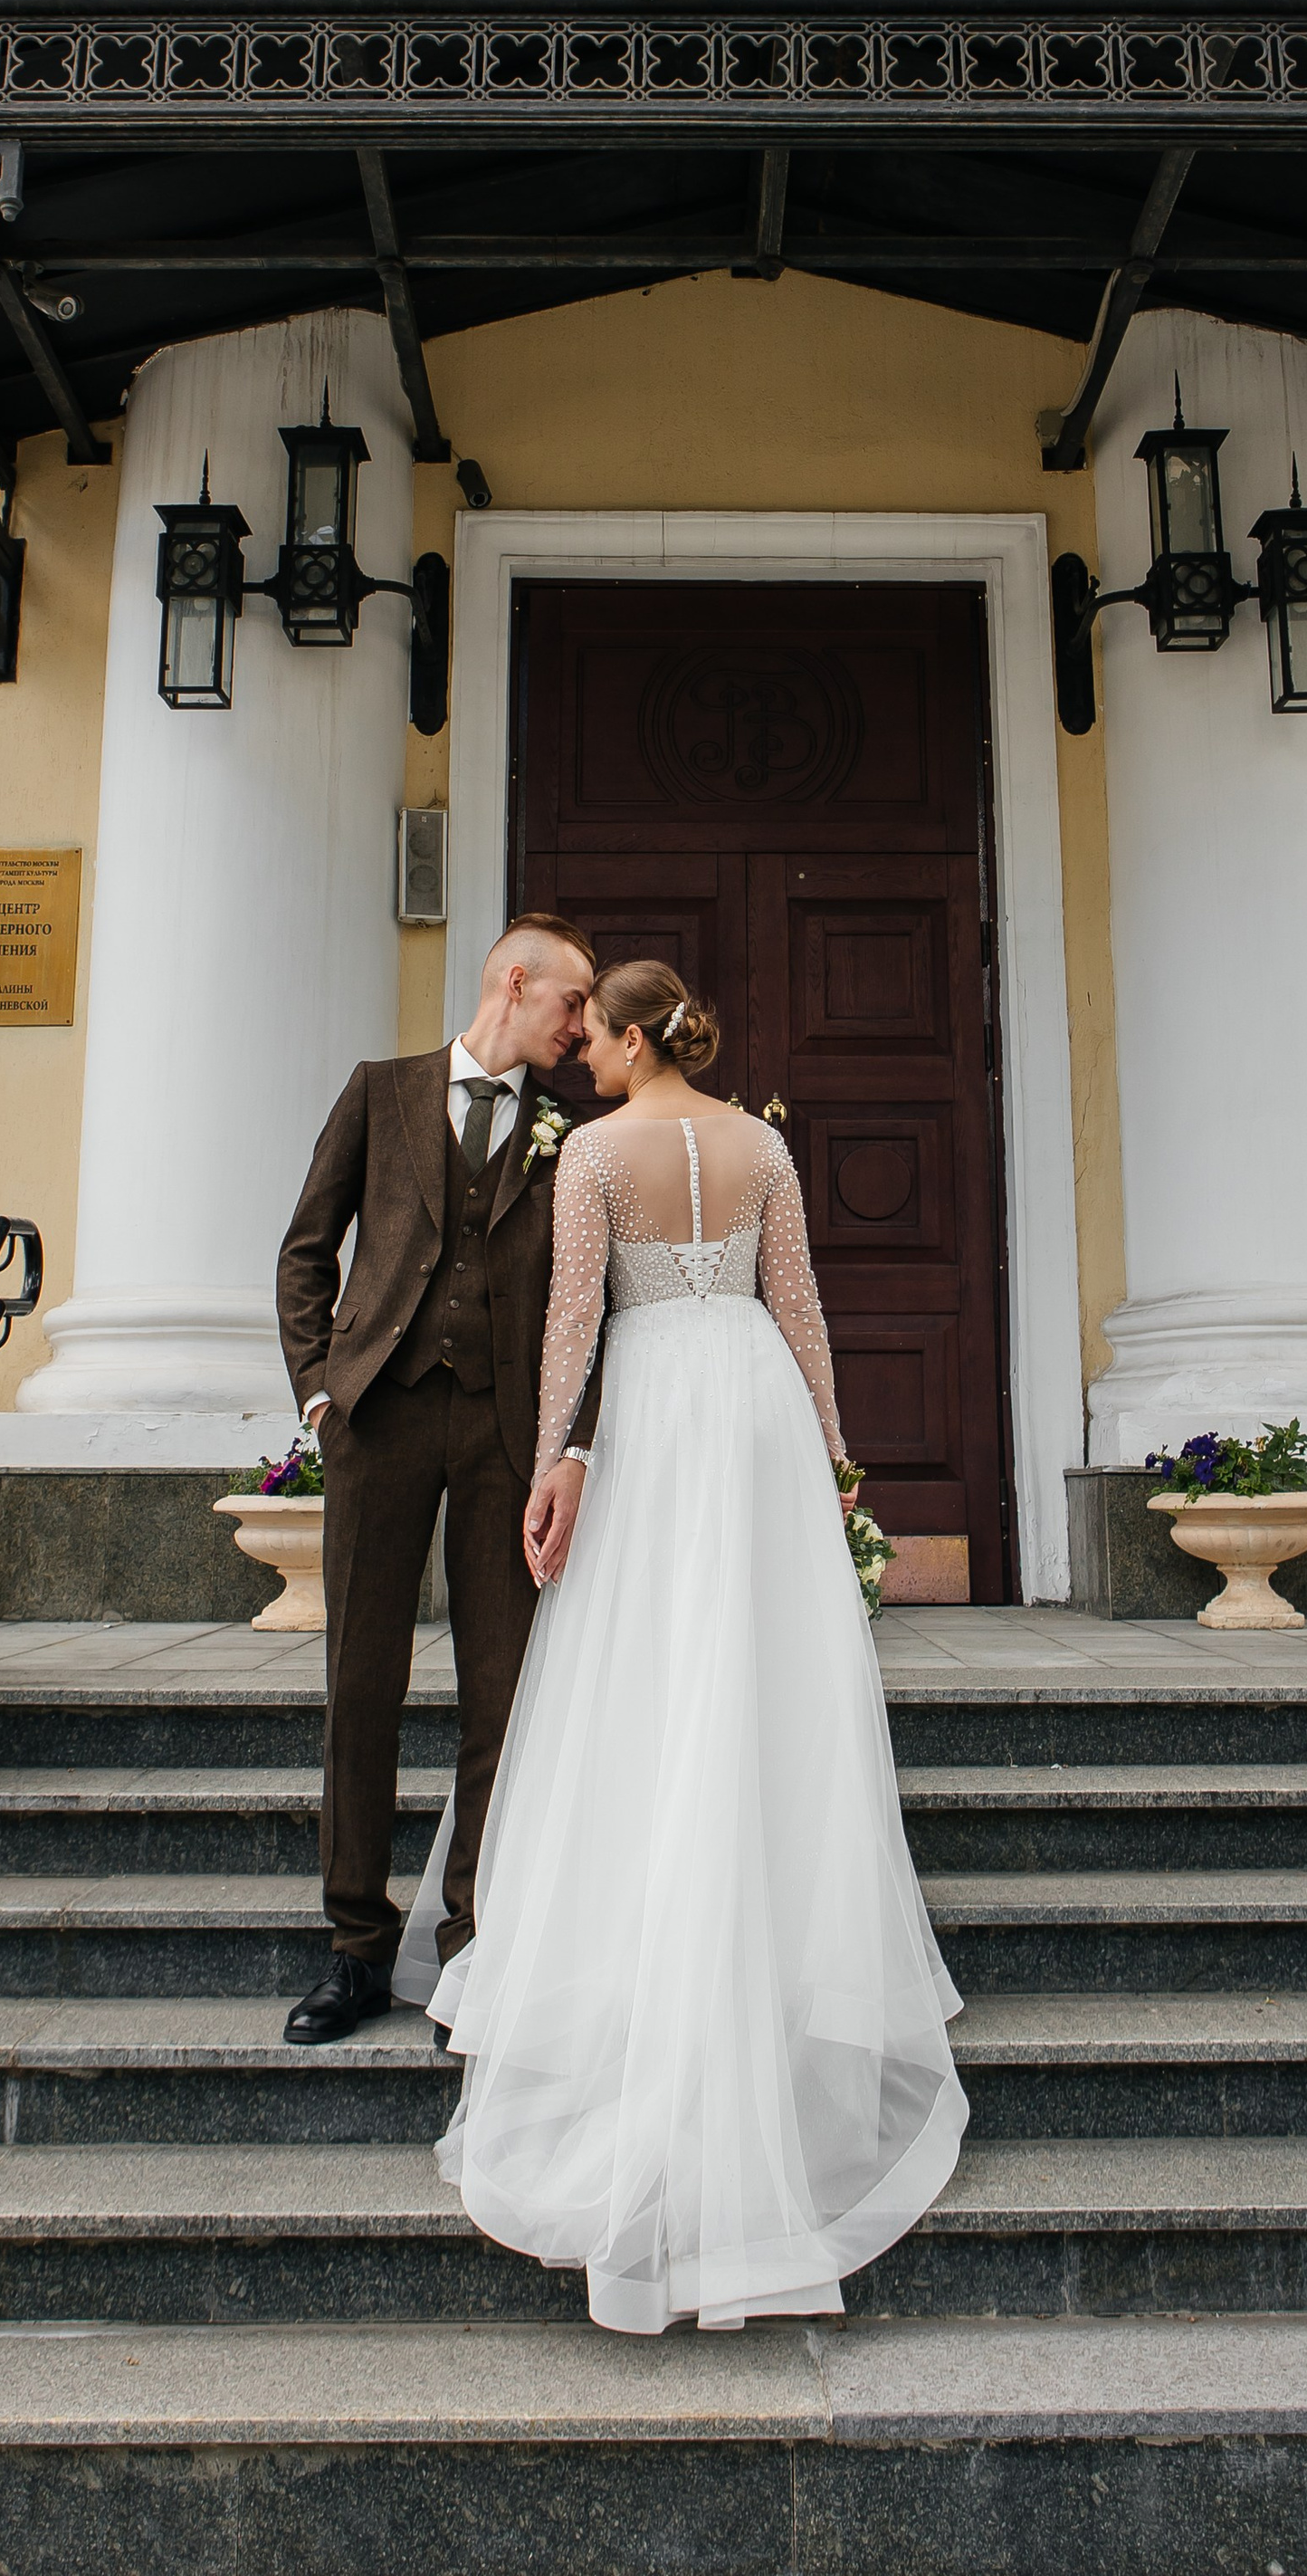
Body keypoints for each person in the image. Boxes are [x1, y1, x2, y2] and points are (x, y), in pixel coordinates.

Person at [403, 957, 967, 2332]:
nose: (579, 1047)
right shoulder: (761, 1143)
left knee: (647, 1674)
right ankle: (765, 1947)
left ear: (636, 1032)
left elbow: (576, 1327)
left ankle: (651, 1951)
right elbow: (805, 1311)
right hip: (756, 1409)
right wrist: (836, 1457)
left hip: (655, 1409)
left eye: (594, 1030)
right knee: (760, 1672)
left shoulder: (596, 1155)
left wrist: (553, 1461)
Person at [274, 913, 599, 2047]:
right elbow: (306, 1247)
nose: (582, 1024)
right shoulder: (381, 1090)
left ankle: (472, 1949)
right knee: (360, 1685)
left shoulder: (571, 1131)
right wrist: (319, 1389)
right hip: (382, 1420)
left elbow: (583, 1305)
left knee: (499, 1699)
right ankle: (355, 1949)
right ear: (515, 981)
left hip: (508, 1437)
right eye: (572, 1001)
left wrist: (570, 1441)